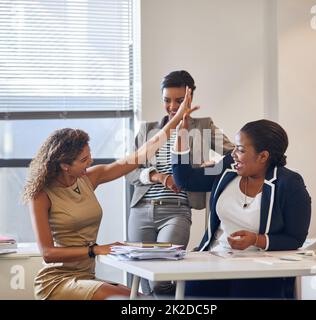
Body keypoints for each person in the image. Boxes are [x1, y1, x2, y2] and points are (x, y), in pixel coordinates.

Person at [22, 87, 197, 300]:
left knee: (143, 298)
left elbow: (140, 155)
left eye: (90, 156)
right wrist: (96, 249)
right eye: (84, 160)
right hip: (56, 281)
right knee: (129, 300)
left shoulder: (88, 179)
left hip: (86, 276)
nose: (91, 162)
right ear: (65, 165)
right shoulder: (41, 194)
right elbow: (48, 253)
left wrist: (177, 119)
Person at [172, 119, 311, 299]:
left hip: (259, 269)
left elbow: (295, 238)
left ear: (263, 156)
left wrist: (256, 240)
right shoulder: (228, 169)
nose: (234, 154)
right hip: (213, 261)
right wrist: (181, 134)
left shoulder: (290, 184)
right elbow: (186, 179)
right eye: (235, 148)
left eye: (241, 150)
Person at [126, 70, 234, 295]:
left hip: (177, 211)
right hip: (141, 209)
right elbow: (130, 171)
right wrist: (158, 176)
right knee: (144, 280)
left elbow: (234, 155)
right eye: (167, 100)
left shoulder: (203, 126)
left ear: (190, 97)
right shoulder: (148, 130)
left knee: (162, 278)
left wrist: (209, 166)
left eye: (178, 100)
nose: (172, 106)